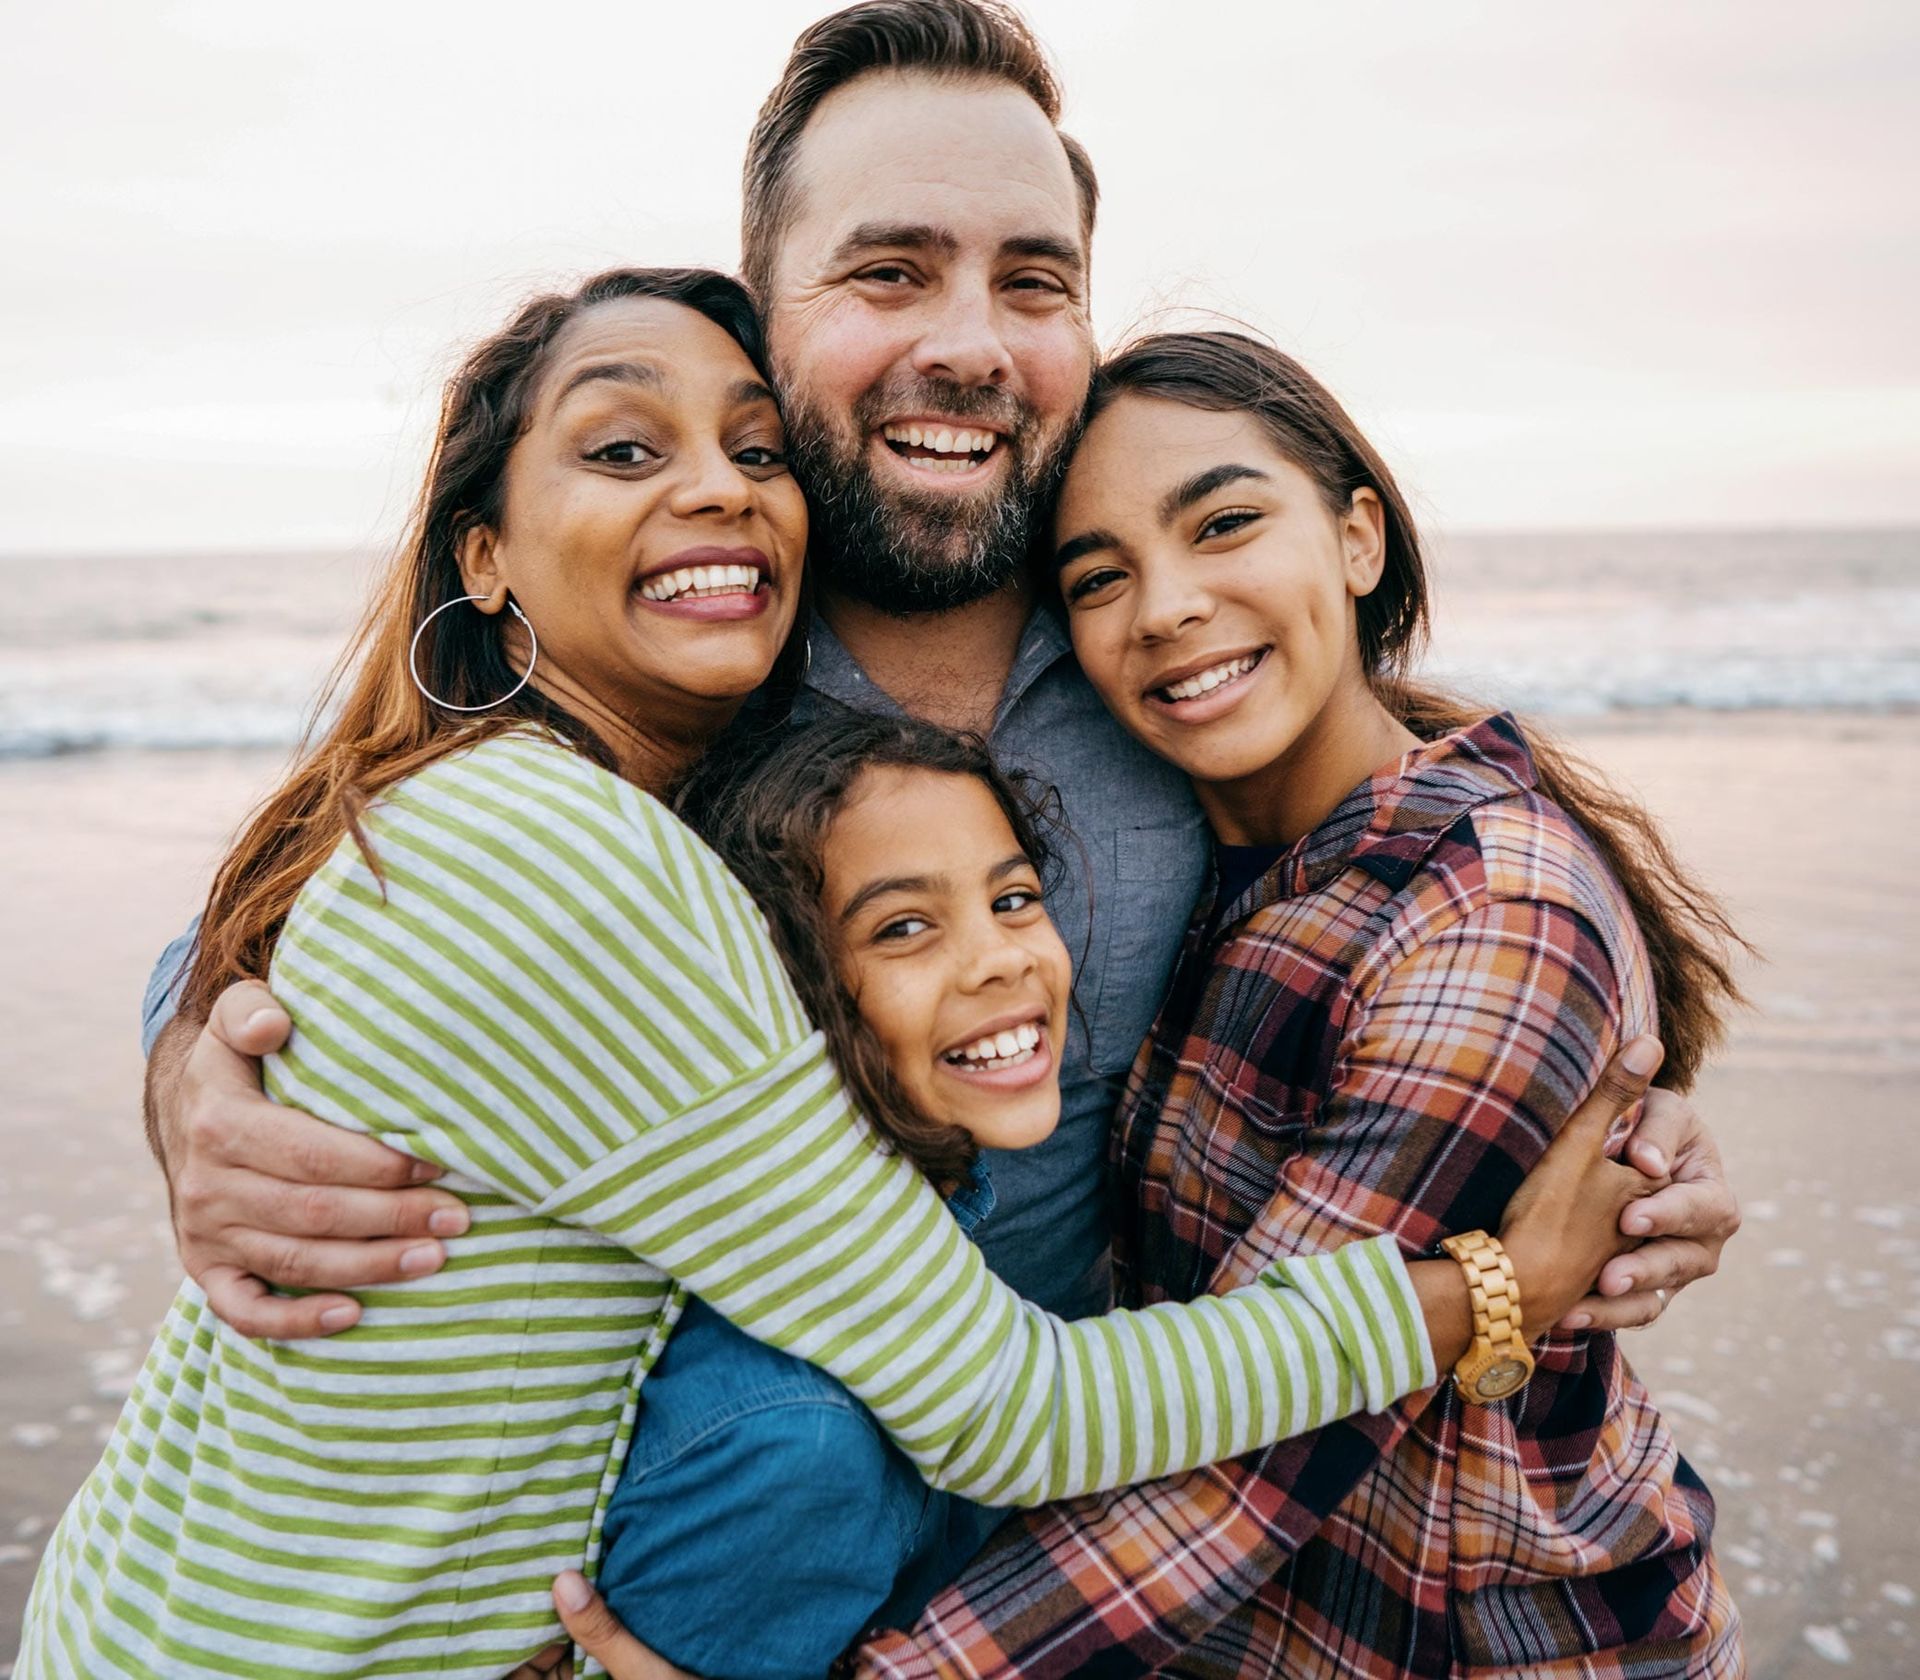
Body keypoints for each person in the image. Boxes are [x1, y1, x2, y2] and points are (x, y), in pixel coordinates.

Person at [15, 270, 1648, 1680]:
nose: (720, 489)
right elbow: (1009, 1405)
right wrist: (1487, 1293)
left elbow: (1349, 822)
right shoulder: (579, 858)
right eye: (623, 447)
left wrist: (1564, 989)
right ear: (486, 556)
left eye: (753, 450)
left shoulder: (561, 795)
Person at [137, 3, 1740, 1359]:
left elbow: (1392, 868)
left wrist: (1615, 1106)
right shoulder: (684, 645)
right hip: (723, 1532)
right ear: (760, 312)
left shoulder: (1154, 638)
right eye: (890, 272)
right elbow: (332, 879)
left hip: (1090, 1522)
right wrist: (189, 1086)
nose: (971, 343)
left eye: (1033, 282)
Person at [830, 333, 1747, 1676]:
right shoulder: (1165, 855)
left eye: (1227, 524)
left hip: (1482, 1637)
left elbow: (1255, 1455)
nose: (1168, 606)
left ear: (1358, 537)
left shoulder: (1493, 914)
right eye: (1101, 577)